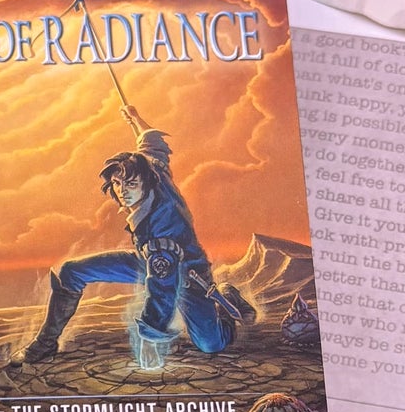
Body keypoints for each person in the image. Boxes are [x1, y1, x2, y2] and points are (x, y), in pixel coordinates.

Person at [17, 103, 254, 372]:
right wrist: (135, 118)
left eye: (131, 184)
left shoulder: (160, 233)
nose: (123, 191)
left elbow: (162, 289)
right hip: (146, 261)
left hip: (187, 275)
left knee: (211, 344)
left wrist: (150, 339)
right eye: (118, 184)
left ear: (145, 182)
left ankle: (226, 298)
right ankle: (46, 342)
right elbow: (151, 143)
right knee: (69, 272)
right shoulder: (154, 168)